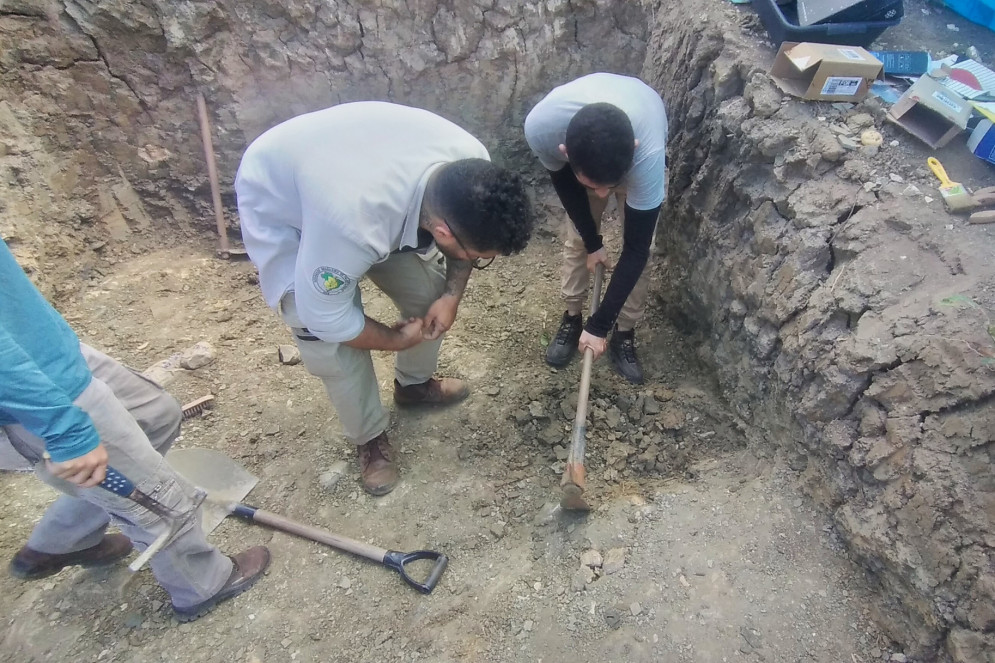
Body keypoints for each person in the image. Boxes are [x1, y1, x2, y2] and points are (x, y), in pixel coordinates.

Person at [235, 101, 534, 497]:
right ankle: (369, 439)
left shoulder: (471, 164)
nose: (474, 263)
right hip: (283, 202)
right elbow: (328, 319)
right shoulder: (355, 223)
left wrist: (450, 295)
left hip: (347, 177)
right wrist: (396, 340)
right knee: (325, 341)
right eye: (476, 258)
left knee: (427, 294)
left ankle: (413, 386)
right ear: (443, 231)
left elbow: (455, 249)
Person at [0, 239, 269, 622]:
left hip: (46, 350)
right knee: (157, 500)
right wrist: (65, 431)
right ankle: (202, 585)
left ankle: (62, 541)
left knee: (157, 414)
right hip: (28, 394)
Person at [525, 73, 668, 384]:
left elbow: (635, 248)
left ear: (634, 148)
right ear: (565, 153)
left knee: (644, 254)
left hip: (636, 145)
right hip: (587, 155)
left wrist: (600, 325)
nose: (603, 195)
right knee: (577, 239)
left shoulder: (648, 158)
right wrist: (593, 242)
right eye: (594, 186)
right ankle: (572, 317)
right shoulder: (542, 129)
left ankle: (623, 332)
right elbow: (566, 186)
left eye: (610, 186)